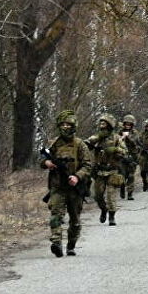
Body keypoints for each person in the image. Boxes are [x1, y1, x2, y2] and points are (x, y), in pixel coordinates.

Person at [42, 110, 93, 256]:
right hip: (58, 187)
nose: (65, 127)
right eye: (63, 124)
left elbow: (88, 165)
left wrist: (77, 177)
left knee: (75, 220)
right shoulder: (54, 144)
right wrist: (47, 163)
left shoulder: (80, 144)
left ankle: (71, 245)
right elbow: (43, 161)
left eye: (68, 124)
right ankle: (56, 242)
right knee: (56, 215)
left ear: (73, 126)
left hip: (74, 189)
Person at [91, 113, 130, 224]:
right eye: (100, 123)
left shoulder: (116, 138)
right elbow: (86, 144)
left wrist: (115, 150)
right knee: (97, 195)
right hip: (99, 171)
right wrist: (97, 139)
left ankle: (112, 216)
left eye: (104, 123)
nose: (101, 125)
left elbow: (125, 152)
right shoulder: (96, 137)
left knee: (111, 195)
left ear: (109, 125)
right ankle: (104, 209)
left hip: (112, 170)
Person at [119, 114, 141, 200]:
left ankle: (130, 193)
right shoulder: (120, 132)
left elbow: (135, 143)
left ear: (132, 125)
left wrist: (128, 137)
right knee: (122, 175)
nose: (128, 126)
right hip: (122, 156)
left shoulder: (135, 133)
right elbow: (116, 141)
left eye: (129, 124)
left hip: (132, 157)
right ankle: (122, 187)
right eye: (126, 124)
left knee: (131, 176)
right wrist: (122, 137)